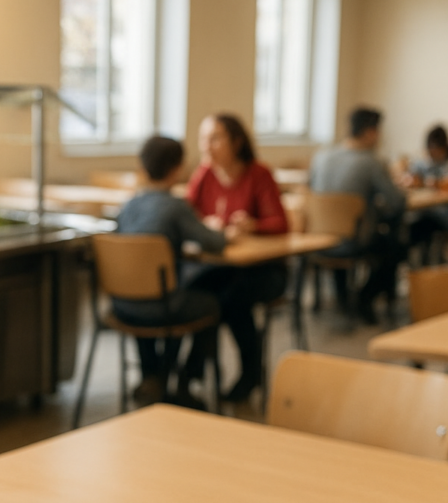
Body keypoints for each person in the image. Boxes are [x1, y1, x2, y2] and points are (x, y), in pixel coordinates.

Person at [115, 134, 232, 407]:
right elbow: (215, 243)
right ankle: (184, 381)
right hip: (161, 306)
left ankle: (152, 376)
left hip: (121, 305)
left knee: (148, 289)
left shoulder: (128, 206)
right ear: (178, 168)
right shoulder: (176, 207)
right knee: (210, 303)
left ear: (141, 166)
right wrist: (226, 231)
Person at [184, 113, 289, 403]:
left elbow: (281, 223)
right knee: (198, 293)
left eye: (215, 138)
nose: (207, 145)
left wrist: (254, 225)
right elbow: (186, 213)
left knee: (228, 301)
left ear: (237, 141)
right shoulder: (204, 173)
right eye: (203, 138)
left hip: (265, 270)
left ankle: (242, 373)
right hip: (224, 265)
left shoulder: (258, 174)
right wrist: (206, 226)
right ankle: (194, 372)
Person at [309, 106, 406, 322]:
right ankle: (364, 298)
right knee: (397, 248)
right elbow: (397, 202)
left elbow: (310, 190)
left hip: (318, 241)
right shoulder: (371, 161)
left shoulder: (321, 156)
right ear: (370, 132)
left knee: (342, 230)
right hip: (352, 242)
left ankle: (344, 298)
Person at [400, 125, 448, 264]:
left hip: (442, 213)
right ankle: (419, 266)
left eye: (435, 150)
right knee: (410, 225)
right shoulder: (422, 163)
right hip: (424, 211)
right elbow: (411, 177)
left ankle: (428, 267)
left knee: (423, 226)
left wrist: (431, 183)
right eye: (429, 149)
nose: (432, 153)